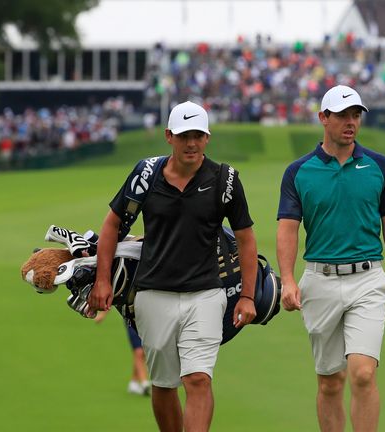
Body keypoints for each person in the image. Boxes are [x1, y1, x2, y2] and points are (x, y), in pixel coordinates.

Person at [88, 101, 258, 432]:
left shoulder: (225, 180)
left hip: (206, 294)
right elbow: (112, 226)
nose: (191, 143)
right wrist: (102, 280)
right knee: (164, 385)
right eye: (184, 136)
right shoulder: (145, 175)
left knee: (197, 379)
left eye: (198, 135)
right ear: (169, 136)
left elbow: (246, 239)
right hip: (153, 295)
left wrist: (247, 296)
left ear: (207, 138)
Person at [277, 85, 385, 432]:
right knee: (330, 382)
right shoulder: (299, 172)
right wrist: (289, 279)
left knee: (363, 374)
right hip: (319, 281)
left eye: (355, 115)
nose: (350, 122)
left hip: (367, 279)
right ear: (323, 118)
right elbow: (288, 229)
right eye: (342, 115)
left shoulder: (379, 167)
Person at [95, 311, 150, 396]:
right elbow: (116, 297)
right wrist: (103, 314)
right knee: (139, 351)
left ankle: (134, 382)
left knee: (144, 351)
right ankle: (144, 383)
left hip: (147, 319)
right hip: (131, 318)